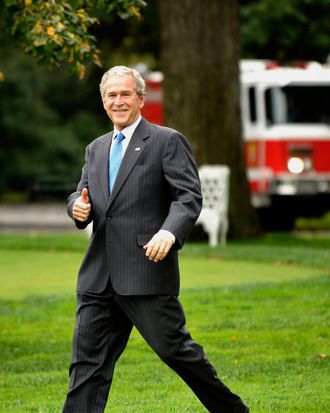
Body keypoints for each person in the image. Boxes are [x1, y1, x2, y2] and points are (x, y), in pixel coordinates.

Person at [62, 65, 249, 413]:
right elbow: (80, 194)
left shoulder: (166, 141)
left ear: (141, 98)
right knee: (86, 368)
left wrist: (168, 231)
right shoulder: (96, 148)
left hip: (145, 272)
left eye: (125, 93)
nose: (118, 101)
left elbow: (188, 197)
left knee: (177, 352)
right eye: (111, 95)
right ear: (103, 102)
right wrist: (77, 207)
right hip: (97, 277)